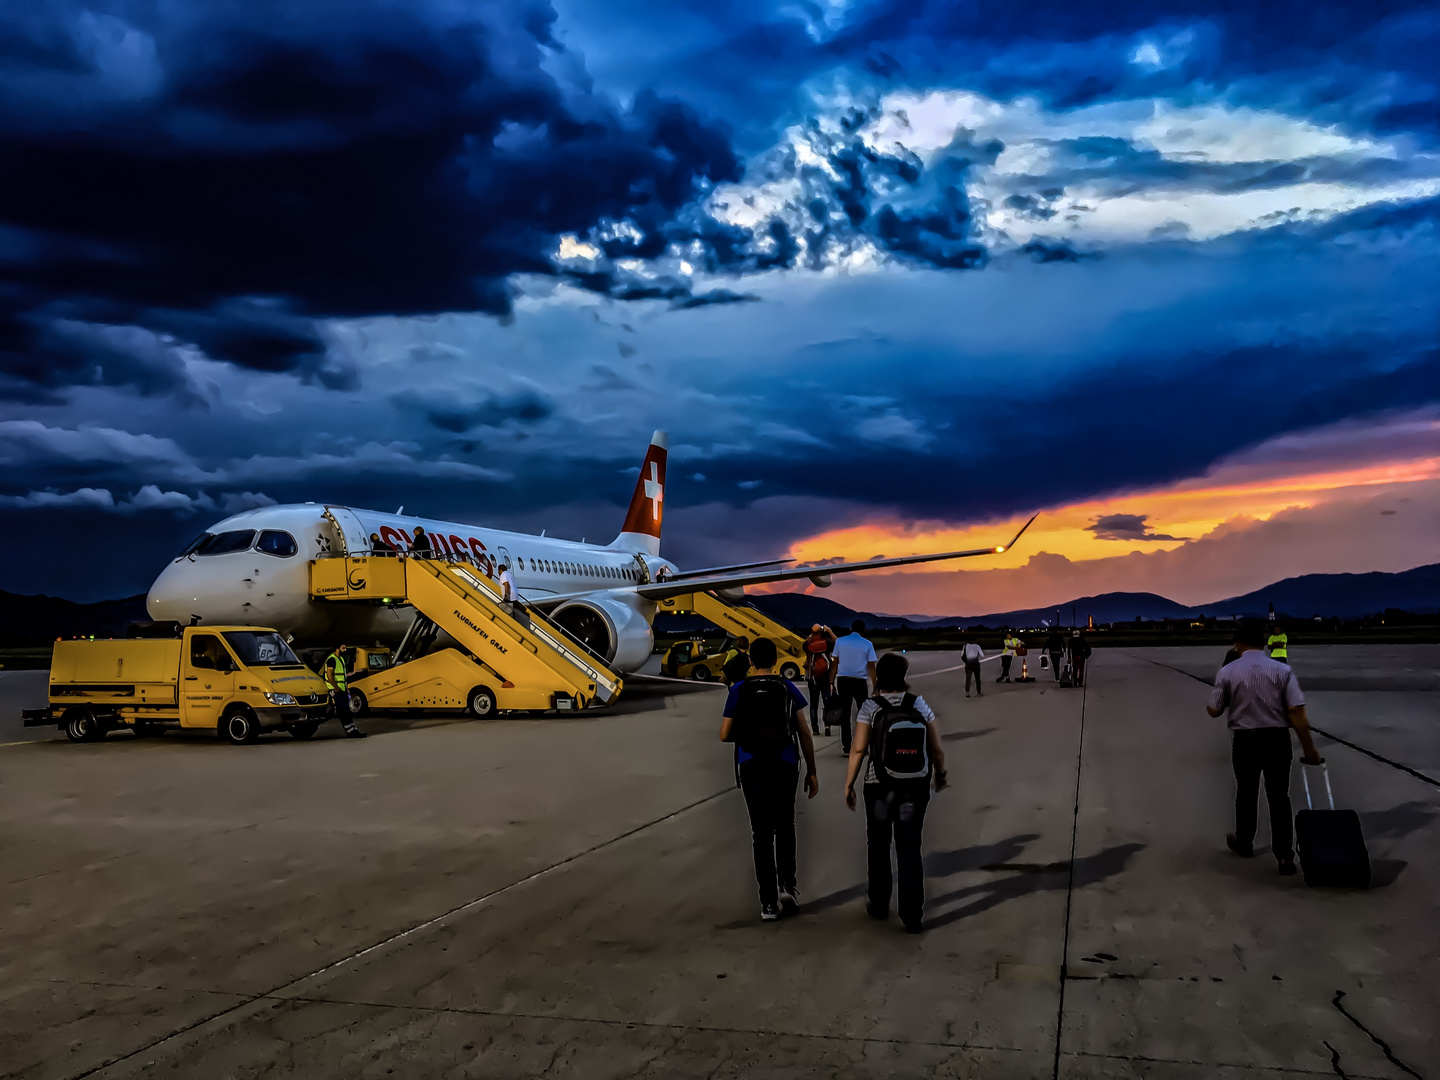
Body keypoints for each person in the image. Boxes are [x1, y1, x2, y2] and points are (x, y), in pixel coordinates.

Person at [1206, 621, 1323, 876]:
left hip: (1246, 740)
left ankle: (1245, 842)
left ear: (1238, 644)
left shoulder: (1229, 671)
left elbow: (1214, 710)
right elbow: (1297, 713)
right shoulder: (1282, 670)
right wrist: (1309, 749)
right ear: (1264, 643)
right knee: (1279, 797)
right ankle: (1284, 857)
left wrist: (1227, 689)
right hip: (1277, 740)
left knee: (1246, 792)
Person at [844, 652, 947, 933]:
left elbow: (858, 749)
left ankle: (878, 903)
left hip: (879, 787)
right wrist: (940, 774)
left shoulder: (870, 706)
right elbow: (936, 747)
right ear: (904, 674)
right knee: (910, 846)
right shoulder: (919, 704)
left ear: (879, 677)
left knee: (878, 844)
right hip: (914, 787)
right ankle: (912, 914)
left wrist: (849, 783)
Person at [719, 637, 819, 921]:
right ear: (775, 660)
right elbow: (804, 732)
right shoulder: (786, 687)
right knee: (785, 825)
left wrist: (750, 734)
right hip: (784, 763)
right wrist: (811, 771)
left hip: (751, 765)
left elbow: (724, 734)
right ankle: (788, 885)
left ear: (750, 661)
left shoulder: (738, 689)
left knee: (760, 833)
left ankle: (768, 903)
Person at [832, 620, 878, 755]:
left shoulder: (840, 642)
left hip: (843, 681)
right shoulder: (867, 644)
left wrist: (831, 681)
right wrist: (875, 685)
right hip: (859, 682)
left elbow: (835, 662)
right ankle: (861, 745)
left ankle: (846, 747)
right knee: (862, 714)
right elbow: (871, 666)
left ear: (851, 628)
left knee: (845, 714)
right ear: (863, 630)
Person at [323, 645, 366, 738]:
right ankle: (351, 731)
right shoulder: (331, 659)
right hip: (336, 689)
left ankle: (352, 730)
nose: (345, 650)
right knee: (343, 711)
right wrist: (336, 688)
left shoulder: (341, 659)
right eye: (343, 648)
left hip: (342, 689)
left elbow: (342, 676)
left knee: (346, 710)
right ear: (337, 648)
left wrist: (346, 688)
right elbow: (329, 676)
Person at [803, 624, 835, 736]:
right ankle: (827, 725)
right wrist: (829, 631)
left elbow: (806, 646)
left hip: (813, 677)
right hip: (825, 677)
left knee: (813, 704)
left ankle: (815, 729)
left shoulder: (807, 644)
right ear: (821, 632)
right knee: (827, 702)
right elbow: (837, 643)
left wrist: (811, 636)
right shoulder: (827, 643)